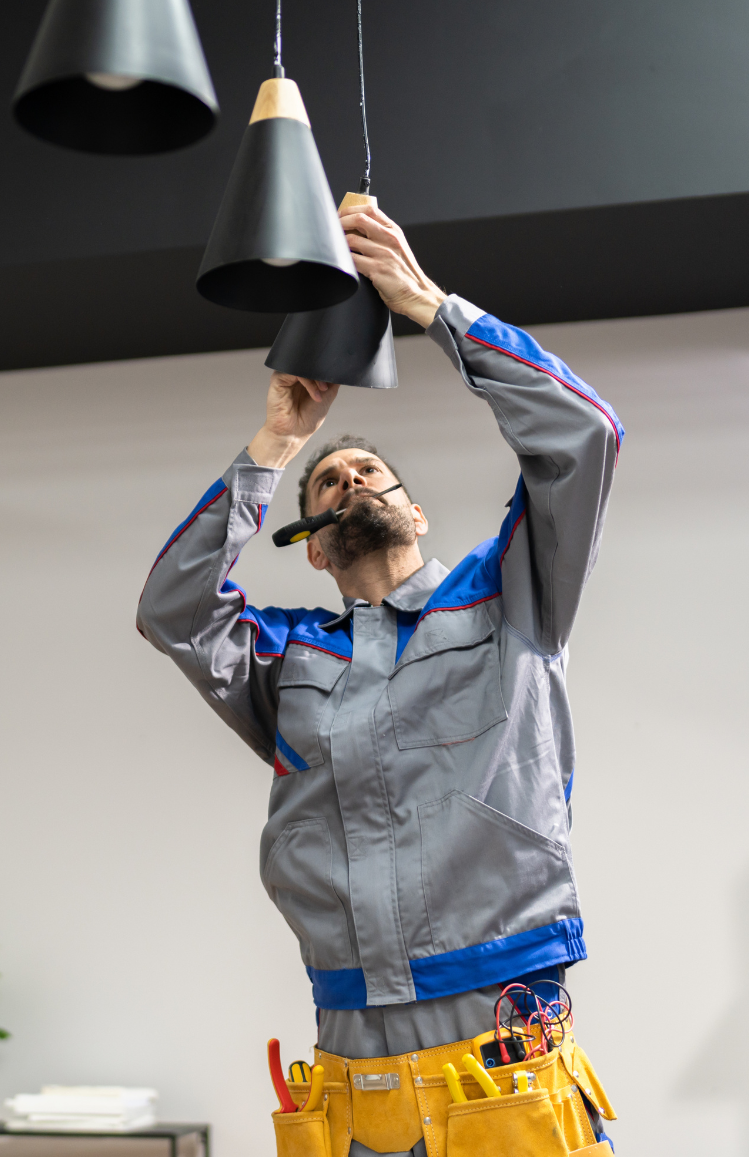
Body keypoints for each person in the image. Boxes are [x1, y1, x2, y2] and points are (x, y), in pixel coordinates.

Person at [137, 202, 622, 1156]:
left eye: (370, 470)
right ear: (311, 549)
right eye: (328, 484)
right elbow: (172, 611)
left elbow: (584, 437)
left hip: (504, 1043)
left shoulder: (511, 597)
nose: (351, 479)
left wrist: (433, 307)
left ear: (418, 514)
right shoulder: (291, 657)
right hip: (353, 1066)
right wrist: (277, 444)